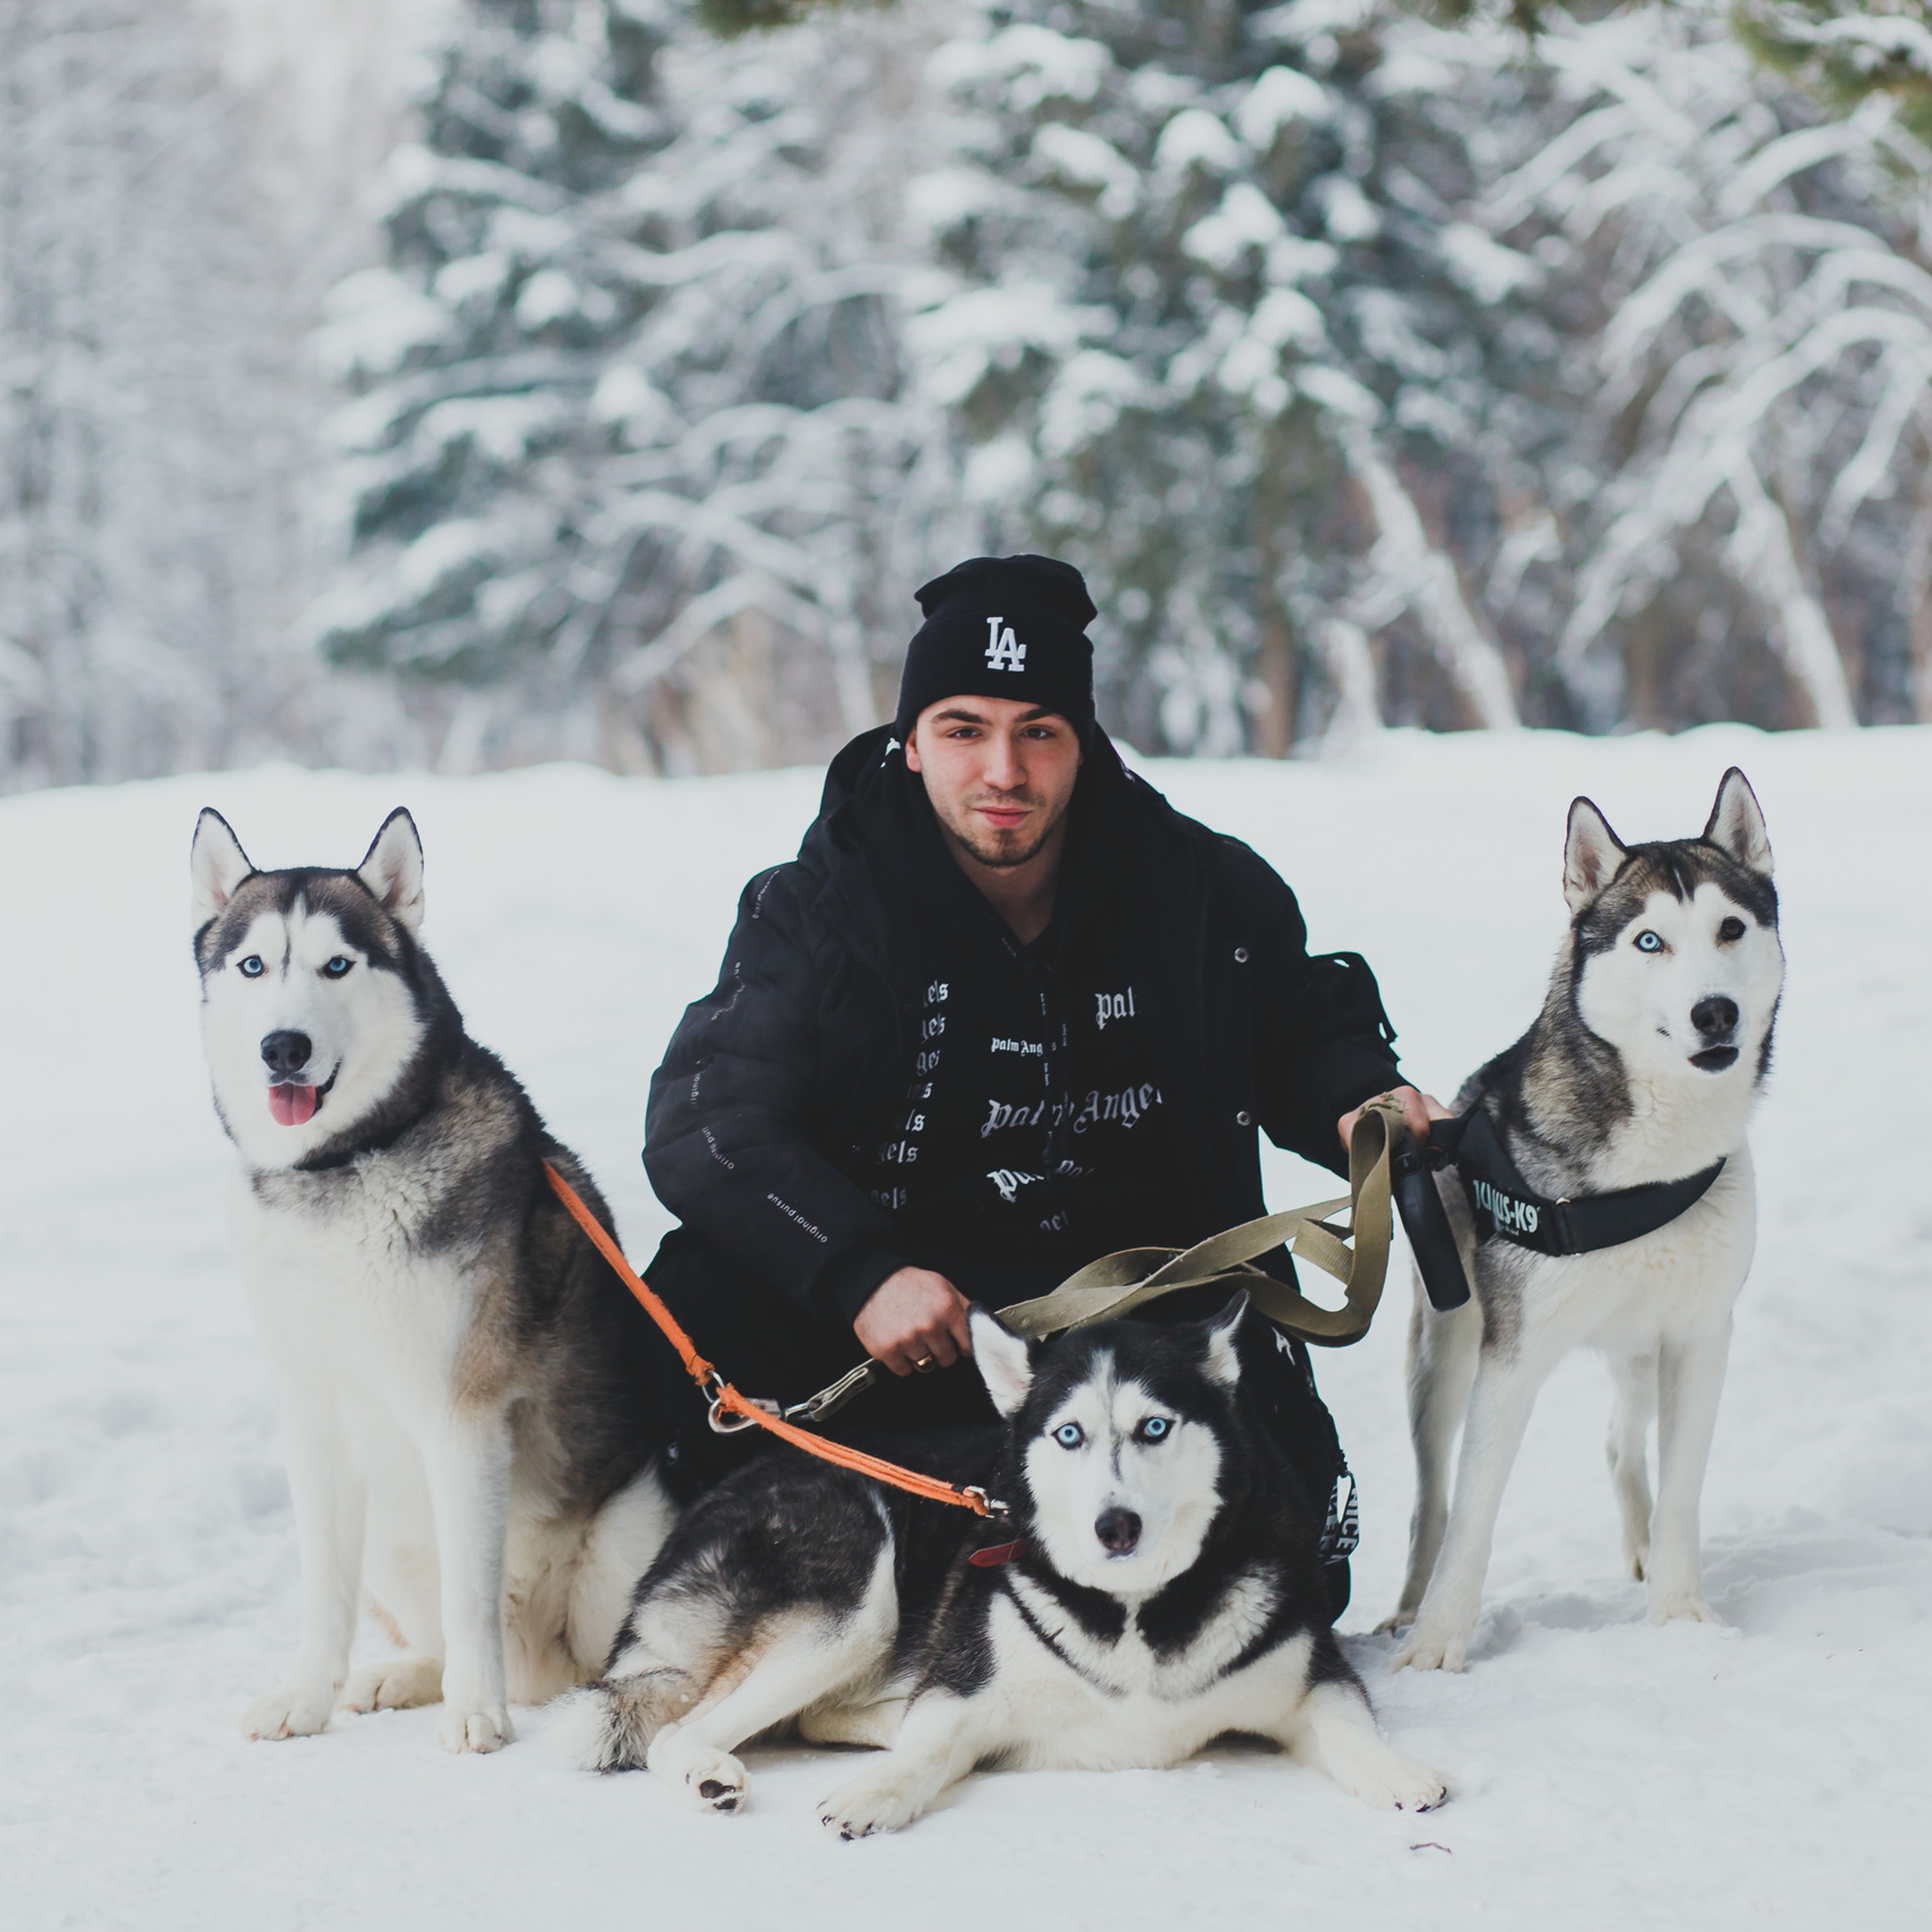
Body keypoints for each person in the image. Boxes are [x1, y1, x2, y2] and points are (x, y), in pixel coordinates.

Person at [639, 555, 1445, 1610]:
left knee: (1274, 1573)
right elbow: (710, 1120)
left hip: (1132, 1322)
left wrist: (1363, 1102)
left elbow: (1301, 1030)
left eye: (1039, 731)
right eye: (963, 730)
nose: (1004, 772)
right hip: (904, 1327)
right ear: (911, 743)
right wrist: (860, 1272)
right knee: (686, 1320)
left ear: (1083, 741)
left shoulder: (1203, 890)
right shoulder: (819, 906)